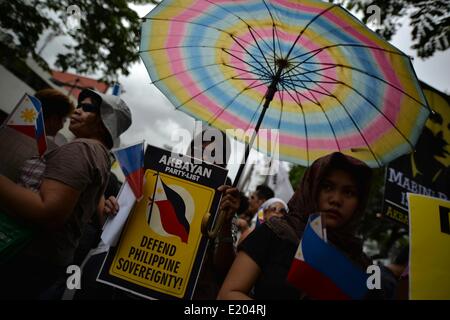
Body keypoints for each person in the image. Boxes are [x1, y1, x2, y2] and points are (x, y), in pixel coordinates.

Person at [0, 88, 131, 299]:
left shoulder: (82, 149)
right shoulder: (98, 154)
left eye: (87, 108)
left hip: (27, 255)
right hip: (48, 260)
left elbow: (48, 211)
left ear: (104, 121)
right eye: (79, 106)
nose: (77, 111)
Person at [218, 152, 377, 300]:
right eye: (328, 187)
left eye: (348, 193)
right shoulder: (276, 232)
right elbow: (228, 295)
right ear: (312, 188)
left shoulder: (363, 267)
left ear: (360, 202)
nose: (336, 199)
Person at [0, 88, 74, 182]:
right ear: (54, 119)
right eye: (64, 120)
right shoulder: (47, 150)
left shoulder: (8, 133)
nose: (62, 126)